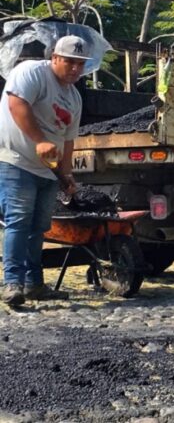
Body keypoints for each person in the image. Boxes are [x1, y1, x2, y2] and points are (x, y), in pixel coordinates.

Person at [0, 36, 88, 305]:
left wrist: (66, 175)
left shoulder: (74, 98)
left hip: (48, 171)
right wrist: (39, 141)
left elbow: (68, 140)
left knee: (38, 227)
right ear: (55, 58)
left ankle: (34, 285)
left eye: (80, 64)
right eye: (69, 62)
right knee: (19, 221)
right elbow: (17, 104)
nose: (75, 68)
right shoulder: (32, 72)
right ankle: (12, 283)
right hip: (17, 161)